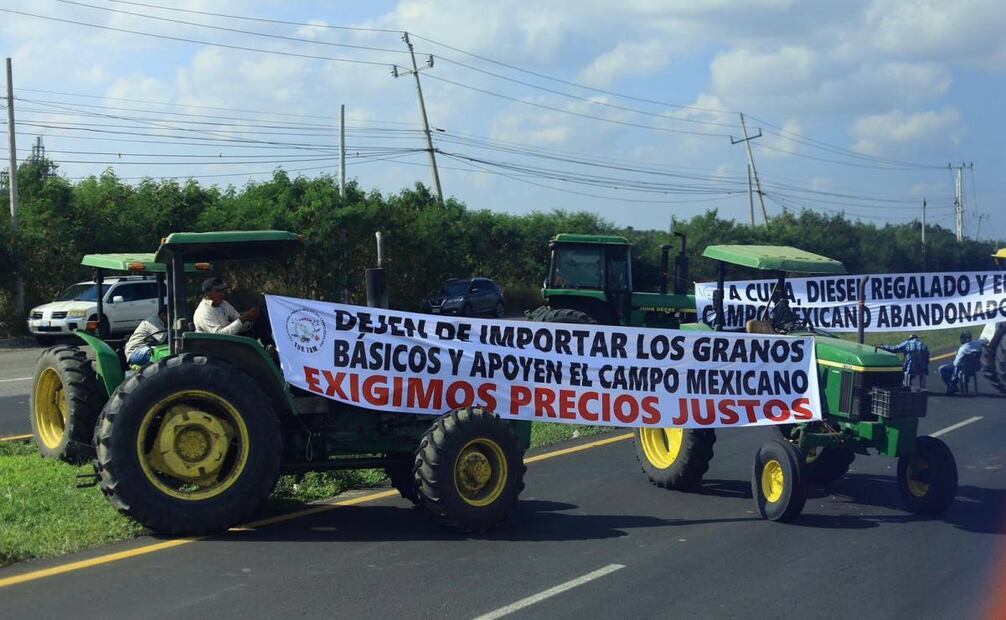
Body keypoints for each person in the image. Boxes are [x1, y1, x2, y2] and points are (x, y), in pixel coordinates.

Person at [193, 277, 259, 335]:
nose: (222, 294)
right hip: (213, 347)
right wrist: (243, 318)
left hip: (231, 344)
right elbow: (218, 336)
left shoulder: (224, 304)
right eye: (218, 291)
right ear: (207, 293)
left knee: (260, 320)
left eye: (222, 291)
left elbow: (238, 323)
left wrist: (250, 317)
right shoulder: (203, 311)